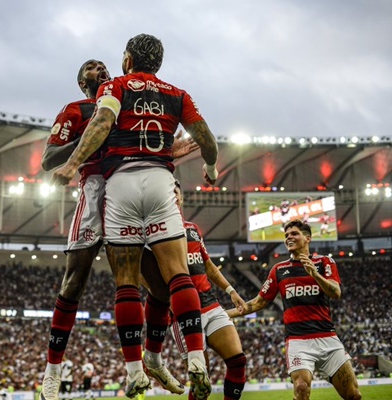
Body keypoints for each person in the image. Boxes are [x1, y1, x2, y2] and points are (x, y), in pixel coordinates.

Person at [52, 33, 219, 400]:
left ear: (127, 59)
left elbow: (100, 125)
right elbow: (207, 138)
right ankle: (197, 361)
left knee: (126, 282)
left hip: (121, 184)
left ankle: (135, 372)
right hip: (162, 181)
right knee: (178, 275)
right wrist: (211, 165)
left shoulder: (116, 86)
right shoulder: (178, 94)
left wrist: (73, 164)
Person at [226, 220, 362, 400]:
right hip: (298, 341)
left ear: (307, 238)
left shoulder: (324, 262)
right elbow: (258, 303)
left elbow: (336, 292)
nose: (289, 237)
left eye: (294, 234)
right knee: (301, 387)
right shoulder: (279, 270)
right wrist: (222, 314)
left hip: (328, 339)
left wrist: (314, 274)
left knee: (353, 395)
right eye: (286, 235)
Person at [141, 182, 248, 400]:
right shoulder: (151, 230)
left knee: (238, 362)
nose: (172, 196)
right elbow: (143, 274)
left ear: (181, 198)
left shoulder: (192, 228)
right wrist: (165, 298)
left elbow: (207, 265)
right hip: (183, 312)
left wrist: (231, 290)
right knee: (201, 381)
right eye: (167, 192)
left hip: (211, 303)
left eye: (175, 192)